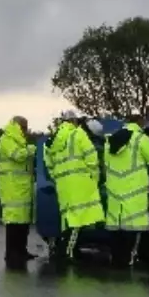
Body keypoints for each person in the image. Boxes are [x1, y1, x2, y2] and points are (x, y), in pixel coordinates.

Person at [43, 110, 105, 265]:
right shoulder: (78, 134)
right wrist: (94, 179)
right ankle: (66, 253)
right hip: (80, 183)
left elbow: (49, 164)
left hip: (63, 185)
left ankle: (67, 250)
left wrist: (57, 177)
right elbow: (92, 158)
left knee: (68, 219)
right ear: (74, 121)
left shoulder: (53, 139)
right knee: (77, 222)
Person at [104, 114, 149, 266]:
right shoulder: (140, 139)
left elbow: (105, 163)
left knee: (116, 230)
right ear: (140, 123)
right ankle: (128, 260)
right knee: (133, 230)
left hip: (114, 191)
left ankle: (116, 259)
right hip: (134, 191)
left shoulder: (110, 140)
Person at [0, 115, 38, 272]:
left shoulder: (18, 140)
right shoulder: (6, 140)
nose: (26, 131)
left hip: (22, 187)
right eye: (24, 127)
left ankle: (21, 250)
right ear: (18, 126)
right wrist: (33, 149)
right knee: (13, 222)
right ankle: (11, 253)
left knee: (23, 220)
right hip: (12, 187)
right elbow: (18, 155)